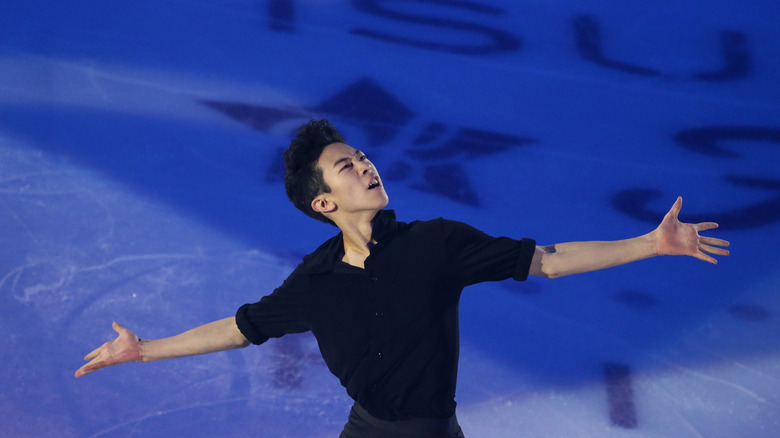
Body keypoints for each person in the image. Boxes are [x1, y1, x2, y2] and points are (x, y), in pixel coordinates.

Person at [75, 119, 730, 437]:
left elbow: (547, 258)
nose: (366, 165)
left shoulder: (436, 245)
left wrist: (648, 243)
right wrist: (144, 349)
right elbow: (242, 328)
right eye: (345, 166)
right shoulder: (316, 280)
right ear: (322, 204)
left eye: (363, 156)